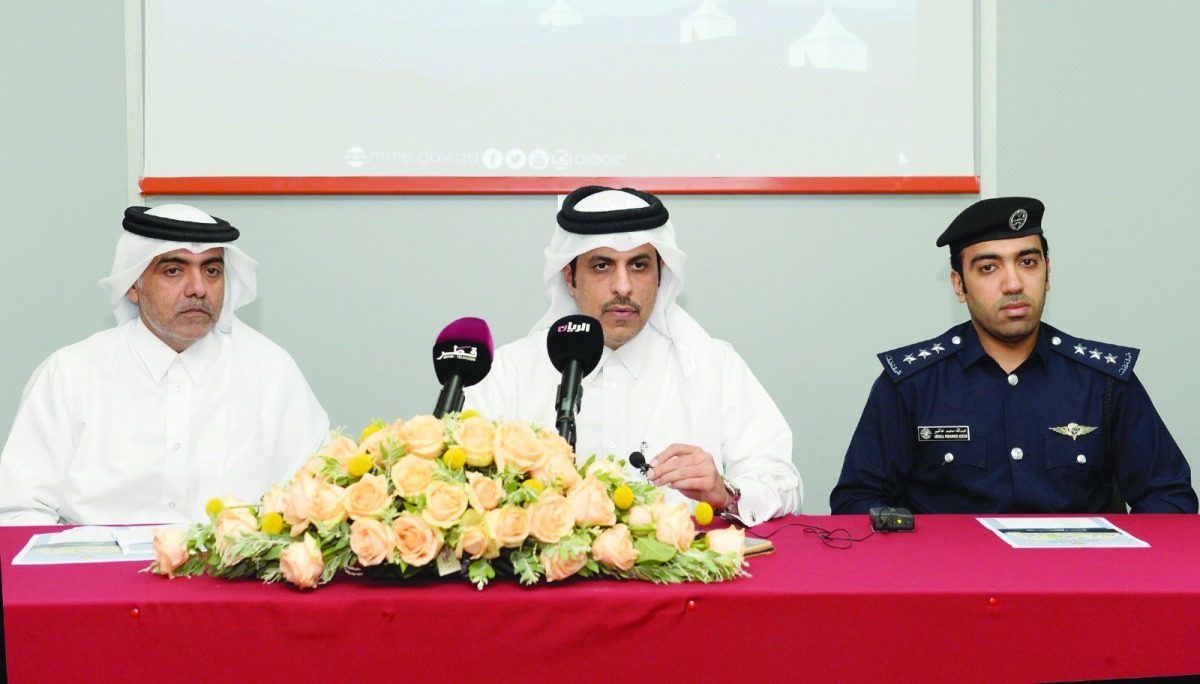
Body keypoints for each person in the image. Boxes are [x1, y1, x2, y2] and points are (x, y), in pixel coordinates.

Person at [830, 197, 1196, 515]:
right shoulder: (911, 383)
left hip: (1075, 583)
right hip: (952, 584)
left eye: (1027, 262)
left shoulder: (1104, 381)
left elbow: (1169, 496)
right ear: (959, 284)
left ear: (1048, 272)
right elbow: (858, 500)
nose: (1014, 284)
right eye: (989, 267)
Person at [466, 186, 800, 525]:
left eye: (639, 265)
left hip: (681, 576)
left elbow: (783, 482)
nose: (623, 287)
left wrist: (725, 493)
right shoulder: (511, 372)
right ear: (570, 278)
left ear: (659, 277)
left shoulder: (713, 365)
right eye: (602, 266)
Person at [0, 204, 330, 525]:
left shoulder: (271, 373)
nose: (199, 288)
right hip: (96, 576)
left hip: (229, 577)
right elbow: (18, 512)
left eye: (212, 270)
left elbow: (320, 497)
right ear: (133, 285)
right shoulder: (70, 375)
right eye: (174, 270)